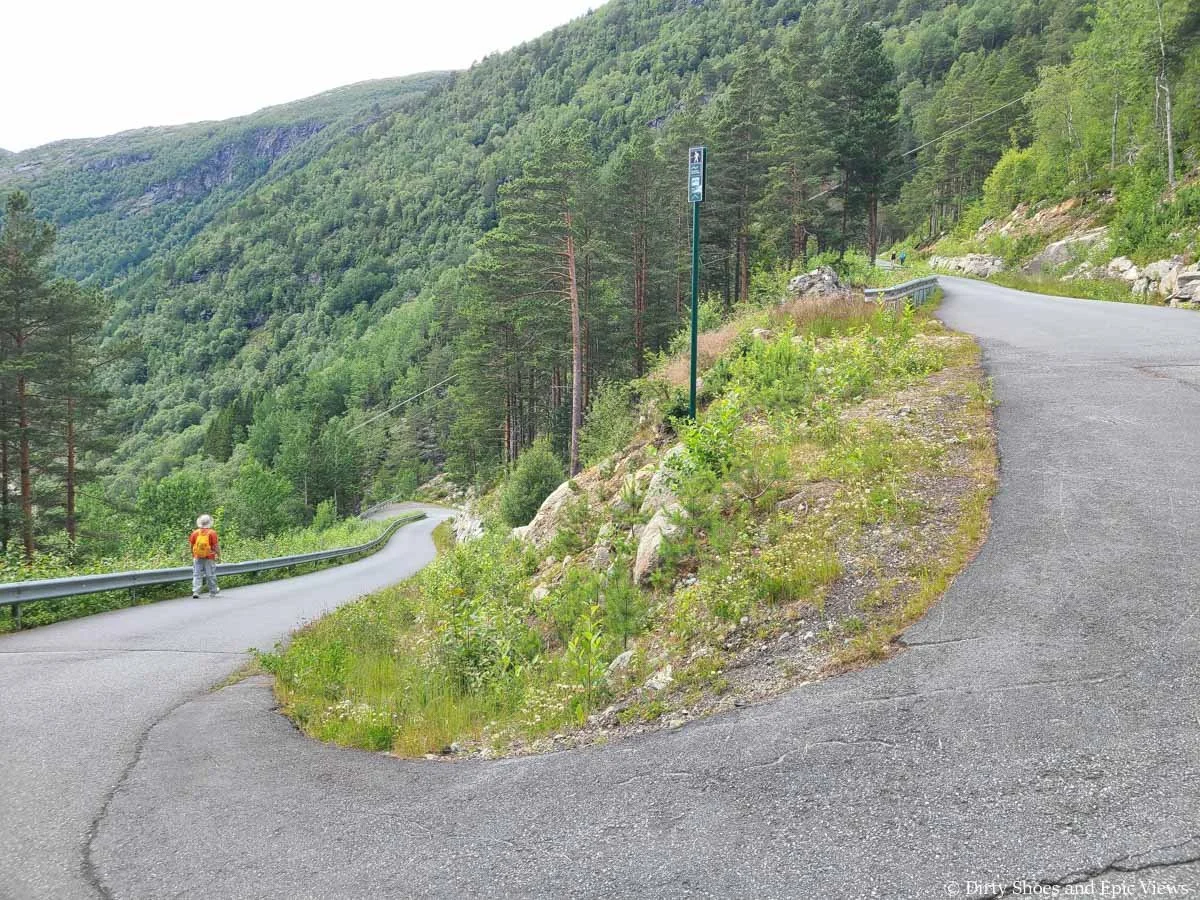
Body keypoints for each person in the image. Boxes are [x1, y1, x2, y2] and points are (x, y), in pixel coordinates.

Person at [189, 514, 221, 598]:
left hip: (197, 557)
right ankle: (213, 591)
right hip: (209, 557)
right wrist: (219, 555)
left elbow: (192, 546)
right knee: (210, 575)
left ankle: (196, 591)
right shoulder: (212, 533)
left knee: (197, 574)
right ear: (209, 523)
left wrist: (193, 554)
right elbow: (215, 546)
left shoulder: (195, 533)